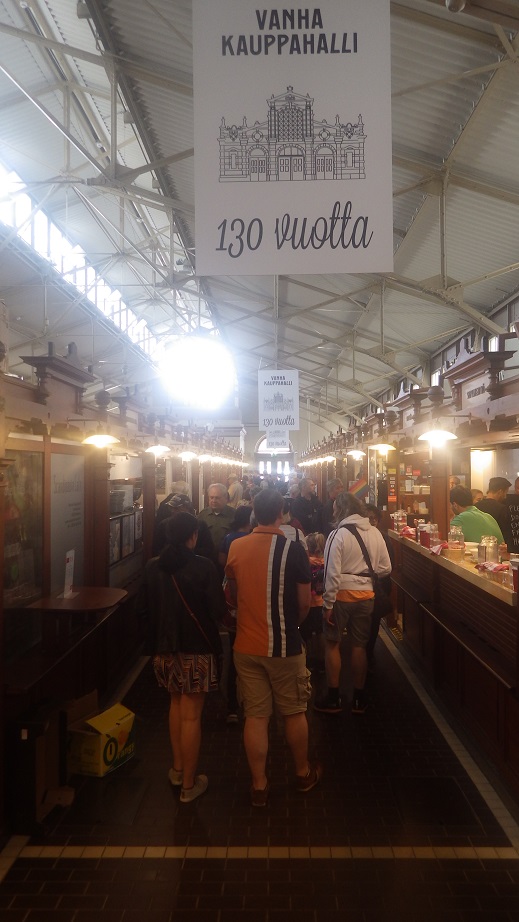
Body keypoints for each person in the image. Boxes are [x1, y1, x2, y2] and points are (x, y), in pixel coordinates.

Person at [225, 489, 322, 807]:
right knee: (294, 712)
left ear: (254, 511)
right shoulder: (294, 550)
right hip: (285, 645)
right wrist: (293, 625)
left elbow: (232, 594)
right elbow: (304, 603)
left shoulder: (237, 546)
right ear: (282, 513)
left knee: (255, 716)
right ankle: (302, 773)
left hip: (246, 646)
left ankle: (259, 786)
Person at [141, 512, 226, 803]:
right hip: (196, 652)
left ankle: (177, 770)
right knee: (191, 716)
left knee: (175, 705)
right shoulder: (204, 567)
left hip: (164, 651)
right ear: (193, 536)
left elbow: (144, 610)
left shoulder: (152, 567)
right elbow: (217, 610)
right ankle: (189, 786)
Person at [315, 492, 391, 716]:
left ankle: (333, 697)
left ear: (340, 510)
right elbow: (386, 568)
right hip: (366, 596)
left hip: (340, 596)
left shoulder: (337, 534)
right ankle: (359, 698)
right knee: (359, 646)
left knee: (333, 643)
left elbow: (331, 572)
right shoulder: (375, 533)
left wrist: (328, 603)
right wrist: (365, 576)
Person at [218, 505, 253, 724]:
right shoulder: (252, 540)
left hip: (232, 599)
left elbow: (222, 561)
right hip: (250, 598)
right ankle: (251, 702)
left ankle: (232, 703)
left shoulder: (229, 538)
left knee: (232, 651)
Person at [365, 504, 395, 667]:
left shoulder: (383, 537)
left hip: (379, 586)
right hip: (365, 587)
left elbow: (390, 564)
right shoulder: (356, 537)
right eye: (368, 518)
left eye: (374, 519)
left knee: (374, 621)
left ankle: (368, 654)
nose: (372, 522)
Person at [152, 493, 216, 563]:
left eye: (176, 508)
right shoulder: (164, 525)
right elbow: (157, 548)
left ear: (187, 507)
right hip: (170, 564)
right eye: (171, 508)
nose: (173, 510)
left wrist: (188, 555)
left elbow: (208, 549)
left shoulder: (200, 525)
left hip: (195, 564)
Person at [300, 532, 326, 671]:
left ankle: (308, 660)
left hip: (308, 602)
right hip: (323, 602)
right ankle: (322, 660)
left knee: (306, 633)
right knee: (321, 632)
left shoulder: (305, 563)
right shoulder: (328, 562)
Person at [197, 483, 235, 559]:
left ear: (225, 498)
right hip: (207, 558)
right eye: (211, 497)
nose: (214, 501)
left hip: (227, 557)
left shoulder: (234, 515)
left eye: (217, 498)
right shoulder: (202, 515)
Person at [476, 477, 512, 545]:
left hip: (479, 544)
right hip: (495, 545)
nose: (505, 496)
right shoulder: (502, 509)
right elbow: (505, 533)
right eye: (505, 493)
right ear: (500, 492)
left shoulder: (476, 506)